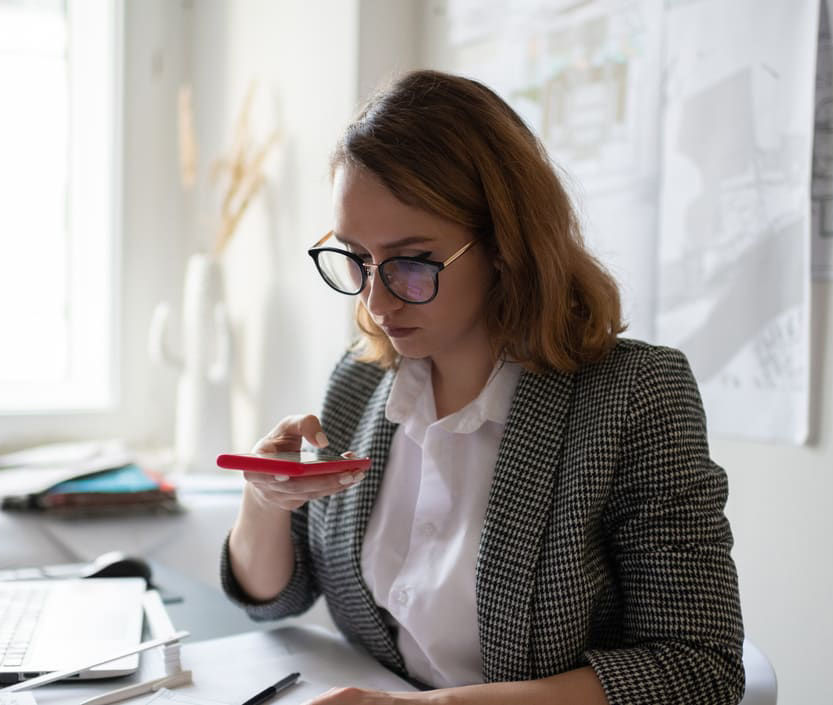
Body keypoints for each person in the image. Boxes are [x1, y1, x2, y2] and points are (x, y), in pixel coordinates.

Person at [220, 69, 744, 705]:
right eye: (356, 258)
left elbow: (696, 668)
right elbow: (277, 595)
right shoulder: (361, 380)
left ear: (505, 244)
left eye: (412, 262)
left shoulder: (634, 397)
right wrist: (265, 502)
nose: (376, 300)